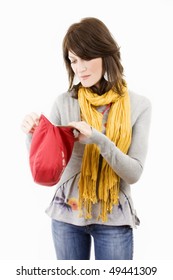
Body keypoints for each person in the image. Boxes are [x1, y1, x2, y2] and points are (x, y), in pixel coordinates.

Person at [21, 17, 152, 260]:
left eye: (86, 58)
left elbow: (134, 174)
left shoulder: (139, 105)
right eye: (73, 60)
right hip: (67, 217)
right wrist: (33, 137)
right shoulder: (63, 102)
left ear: (105, 54)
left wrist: (98, 139)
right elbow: (47, 172)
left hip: (114, 218)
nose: (79, 68)